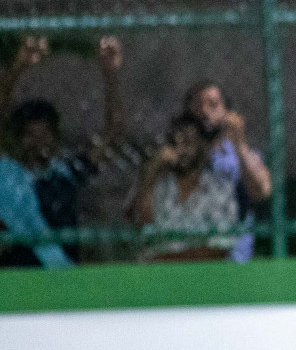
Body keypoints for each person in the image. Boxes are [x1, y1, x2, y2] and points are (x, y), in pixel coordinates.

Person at [0, 35, 126, 265]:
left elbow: (112, 134)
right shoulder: (7, 175)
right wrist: (17, 69)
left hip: (62, 277)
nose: (39, 142)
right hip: (16, 278)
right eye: (31, 135)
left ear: (56, 138)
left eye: (45, 135)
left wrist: (111, 75)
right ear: (19, 140)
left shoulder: (66, 172)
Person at [127, 112, 240, 262]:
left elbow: (220, 249)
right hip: (158, 277)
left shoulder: (221, 190)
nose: (179, 150)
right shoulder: (157, 187)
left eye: (187, 142)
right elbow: (141, 224)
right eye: (174, 143)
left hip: (203, 276)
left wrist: (169, 260)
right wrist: (151, 172)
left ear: (203, 146)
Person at [184, 82, 272, 262]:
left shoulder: (241, 155)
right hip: (191, 260)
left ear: (227, 112)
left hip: (234, 261)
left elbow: (262, 191)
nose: (205, 112)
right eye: (198, 106)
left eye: (213, 105)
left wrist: (239, 143)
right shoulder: (180, 157)